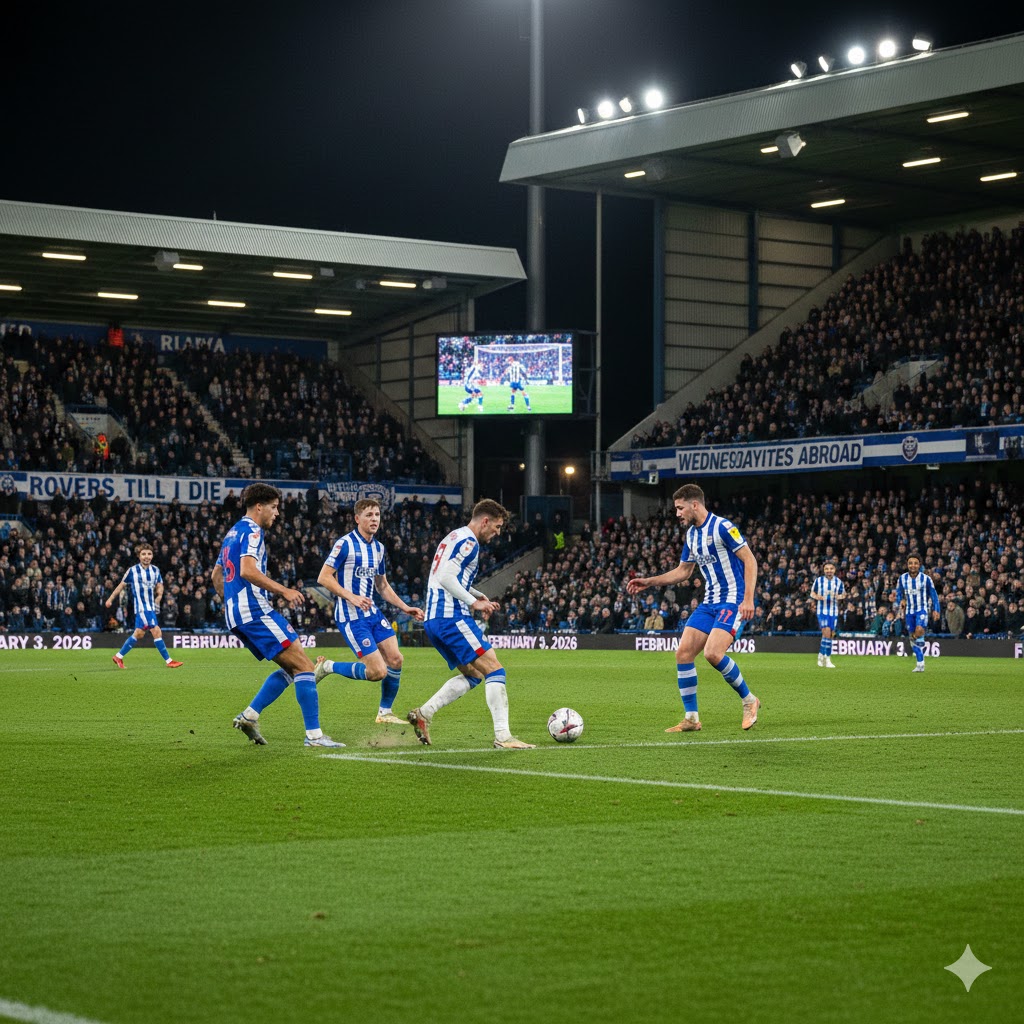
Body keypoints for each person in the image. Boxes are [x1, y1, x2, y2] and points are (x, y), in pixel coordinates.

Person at [213, 482, 343, 748]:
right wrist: (284, 590)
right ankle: (314, 736)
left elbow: (217, 576)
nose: (277, 513)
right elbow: (248, 570)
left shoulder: (231, 533)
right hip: (254, 610)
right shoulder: (252, 531)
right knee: (305, 667)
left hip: (238, 613)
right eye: (273, 507)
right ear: (258, 507)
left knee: (292, 667)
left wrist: (231, 604)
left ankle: (249, 716)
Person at [626, 483, 760, 733]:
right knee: (684, 654)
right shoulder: (691, 535)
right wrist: (649, 581)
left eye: (680, 508)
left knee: (712, 653)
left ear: (694, 504)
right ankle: (691, 718)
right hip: (709, 602)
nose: (677, 513)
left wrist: (749, 599)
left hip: (733, 599)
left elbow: (749, 559)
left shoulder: (723, 527)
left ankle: (749, 700)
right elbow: (683, 572)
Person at [407, 498, 534, 749]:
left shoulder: (453, 537)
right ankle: (503, 737)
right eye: (497, 527)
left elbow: (442, 574)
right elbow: (445, 577)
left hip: (435, 620)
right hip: (450, 617)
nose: (497, 533)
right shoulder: (469, 542)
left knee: (475, 674)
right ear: (484, 521)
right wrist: (471, 602)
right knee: (495, 670)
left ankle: (424, 713)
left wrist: (474, 593)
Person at [313, 498, 425, 725]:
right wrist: (351, 596)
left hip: (372, 613)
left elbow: (382, 586)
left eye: (377, 515)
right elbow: (323, 577)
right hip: (351, 615)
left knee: (396, 659)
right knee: (377, 672)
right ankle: (328, 666)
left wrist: (405, 607)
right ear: (357, 519)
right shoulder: (344, 544)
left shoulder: (379, 548)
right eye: (369, 515)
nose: (374, 519)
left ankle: (385, 713)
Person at [105, 544, 184, 669]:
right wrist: (110, 599)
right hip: (142, 607)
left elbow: (160, 584)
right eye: (143, 554)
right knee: (156, 631)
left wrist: (159, 595)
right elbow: (121, 585)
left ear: (152, 555)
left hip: (151, 606)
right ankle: (169, 661)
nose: (146, 556)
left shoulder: (155, 570)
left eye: (149, 554)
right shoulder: (132, 571)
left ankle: (118, 656)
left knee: (139, 633)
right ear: (139, 556)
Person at [894, 554, 941, 672]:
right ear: (907, 565)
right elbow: (899, 593)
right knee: (917, 640)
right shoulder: (902, 578)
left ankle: (914, 639)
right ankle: (920, 664)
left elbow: (934, 596)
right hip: (909, 612)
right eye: (910, 563)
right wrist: (901, 600)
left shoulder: (926, 579)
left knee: (919, 631)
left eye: (915, 563)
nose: (913, 565)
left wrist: (937, 609)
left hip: (922, 609)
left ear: (919, 565)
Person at [810, 560, 846, 668]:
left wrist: (838, 597)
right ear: (824, 570)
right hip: (822, 610)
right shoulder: (818, 581)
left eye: (831, 569)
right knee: (827, 632)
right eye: (826, 569)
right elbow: (812, 593)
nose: (829, 571)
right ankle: (827, 658)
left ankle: (821, 654)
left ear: (834, 570)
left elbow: (843, 594)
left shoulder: (839, 582)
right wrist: (818, 597)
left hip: (833, 611)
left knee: (829, 635)